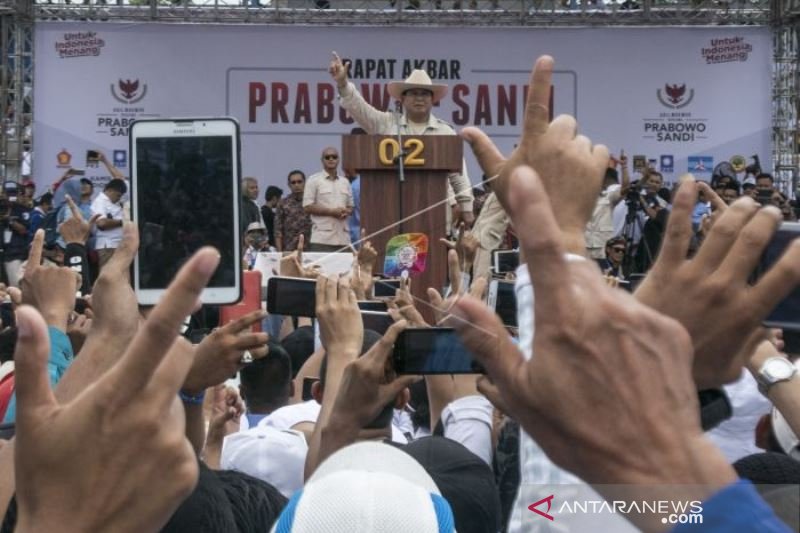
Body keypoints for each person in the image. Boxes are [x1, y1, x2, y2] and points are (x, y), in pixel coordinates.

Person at [329, 53, 474, 229]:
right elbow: (359, 109)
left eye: (424, 94)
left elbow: (459, 177)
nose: (419, 98)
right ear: (402, 99)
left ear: (433, 100)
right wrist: (343, 84)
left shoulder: (446, 132)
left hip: (435, 216)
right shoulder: (388, 124)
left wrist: (467, 209)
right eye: (413, 93)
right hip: (392, 214)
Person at [302, 147, 353, 252]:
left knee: (344, 268)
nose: (331, 159)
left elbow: (350, 206)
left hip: (343, 239)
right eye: (327, 157)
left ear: (338, 160)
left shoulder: (345, 182)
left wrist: (345, 212)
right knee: (319, 269)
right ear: (322, 160)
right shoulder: (313, 180)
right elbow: (307, 207)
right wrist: (331, 212)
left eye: (334, 157)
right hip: (322, 239)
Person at [90, 178, 127, 269]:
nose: (119, 198)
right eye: (118, 195)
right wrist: (123, 222)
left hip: (118, 245)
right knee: (107, 277)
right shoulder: (100, 202)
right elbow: (101, 223)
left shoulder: (116, 203)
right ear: (110, 190)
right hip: (108, 246)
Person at [275, 170, 312, 252]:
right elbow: (278, 231)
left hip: (310, 249)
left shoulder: (312, 202)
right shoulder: (283, 204)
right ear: (289, 185)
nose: (296, 185)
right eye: (293, 182)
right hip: (289, 249)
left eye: (299, 182)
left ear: (305, 183)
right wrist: (279, 253)